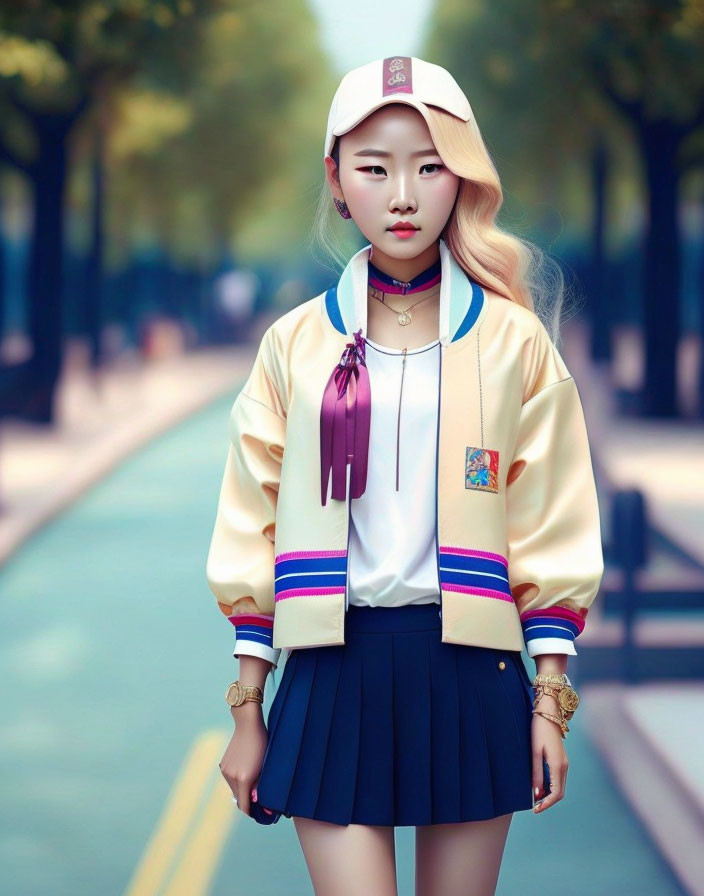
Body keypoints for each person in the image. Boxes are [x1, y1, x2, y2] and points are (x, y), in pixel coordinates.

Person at [206, 56, 604, 896]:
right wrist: (247, 711)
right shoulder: (293, 346)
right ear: (337, 180)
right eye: (375, 167)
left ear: (461, 178)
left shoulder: (514, 342)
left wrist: (549, 701)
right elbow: (252, 525)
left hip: (471, 669)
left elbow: (552, 525)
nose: (402, 194)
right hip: (330, 667)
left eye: (429, 167)